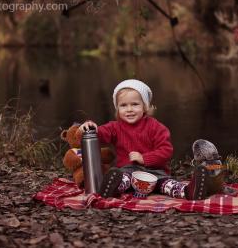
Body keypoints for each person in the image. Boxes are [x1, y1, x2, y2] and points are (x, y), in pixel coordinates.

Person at [79, 79, 225, 200]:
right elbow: (101, 135)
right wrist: (91, 127)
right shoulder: (115, 127)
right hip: (130, 173)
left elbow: (166, 151)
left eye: (135, 104)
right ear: (117, 109)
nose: (129, 109)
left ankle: (189, 191)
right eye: (123, 105)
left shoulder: (156, 127)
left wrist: (144, 158)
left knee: (168, 185)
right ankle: (111, 188)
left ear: (145, 107)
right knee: (122, 178)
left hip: (156, 174)